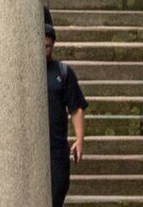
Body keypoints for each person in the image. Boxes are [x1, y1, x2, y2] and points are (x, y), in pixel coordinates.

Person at [44, 15, 89, 206]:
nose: (43, 50)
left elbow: (76, 108)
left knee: (56, 194)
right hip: (28, 147)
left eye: (47, 46)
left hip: (57, 148)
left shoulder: (62, 72)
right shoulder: (21, 73)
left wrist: (79, 139)